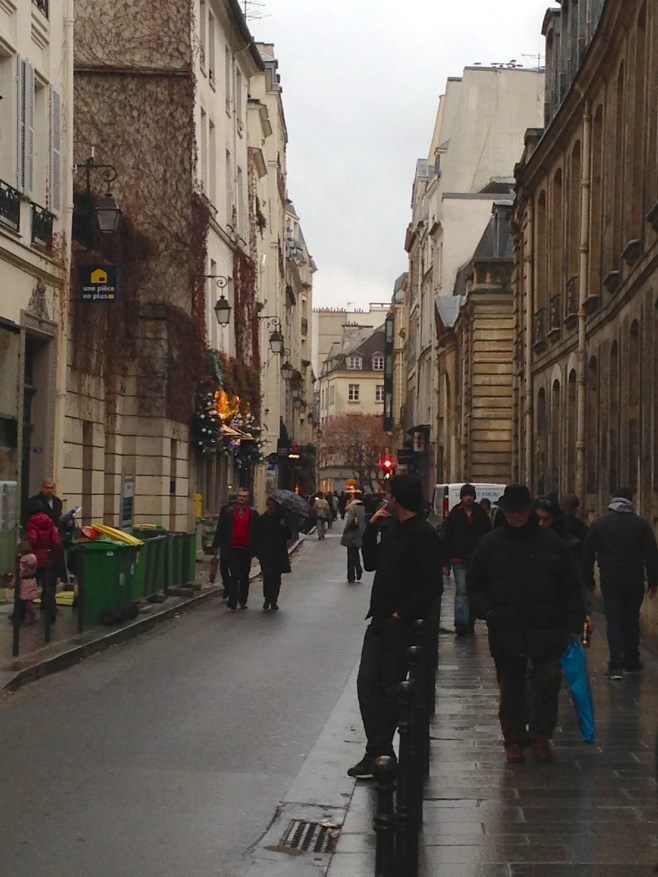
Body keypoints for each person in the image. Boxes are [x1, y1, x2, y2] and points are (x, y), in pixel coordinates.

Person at [467, 484, 585, 764]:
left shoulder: (551, 543)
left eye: (520, 511)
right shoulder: (490, 544)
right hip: (507, 626)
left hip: (547, 626)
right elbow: (475, 584)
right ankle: (514, 738)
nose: (516, 516)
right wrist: (488, 611)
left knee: (547, 681)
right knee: (511, 687)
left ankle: (541, 734)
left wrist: (573, 623)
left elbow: (571, 585)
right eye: (511, 512)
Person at [347, 475, 443, 779]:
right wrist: (372, 527)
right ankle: (378, 749)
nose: (385, 498)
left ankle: (381, 752)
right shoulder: (390, 528)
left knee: (388, 689)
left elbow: (433, 585)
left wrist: (402, 615)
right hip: (379, 619)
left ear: (398, 499)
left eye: (389, 495)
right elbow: (372, 563)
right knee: (366, 684)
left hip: (400, 625)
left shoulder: (424, 535)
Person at [581, 487, 658, 679]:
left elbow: (587, 554)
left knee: (614, 619)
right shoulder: (641, 524)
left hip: (610, 579)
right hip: (634, 578)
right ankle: (632, 660)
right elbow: (651, 555)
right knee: (631, 618)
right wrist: (654, 581)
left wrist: (588, 579)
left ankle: (616, 664)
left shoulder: (599, 524)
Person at [442, 483, 491, 636]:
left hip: (476, 559)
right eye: (466, 495)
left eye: (470, 495)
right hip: (459, 559)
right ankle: (461, 622)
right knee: (462, 590)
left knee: (472, 590)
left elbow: (487, 536)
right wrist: (445, 563)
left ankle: (470, 620)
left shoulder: (480, 514)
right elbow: (447, 537)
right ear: (462, 497)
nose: (468, 498)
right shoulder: (455, 514)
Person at [212, 487, 259, 610]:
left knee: (245, 575)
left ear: (248, 499)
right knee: (234, 574)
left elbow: (256, 531)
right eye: (239, 496)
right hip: (232, 548)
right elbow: (220, 529)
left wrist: (256, 548)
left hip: (246, 549)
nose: (241, 498)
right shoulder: (229, 512)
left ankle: (243, 600)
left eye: (244, 496)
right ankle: (233, 600)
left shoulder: (253, 513)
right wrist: (216, 546)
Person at [254, 498, 292, 611]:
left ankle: (274, 600)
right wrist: (258, 551)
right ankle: (267, 598)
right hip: (266, 553)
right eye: (269, 505)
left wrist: (284, 526)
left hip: (278, 553)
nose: (270, 507)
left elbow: (289, 535)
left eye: (273, 505)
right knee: (267, 576)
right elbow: (257, 536)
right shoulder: (262, 519)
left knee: (276, 577)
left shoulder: (281, 520)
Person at [26, 510, 62, 624]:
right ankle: (51, 613)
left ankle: (23, 613)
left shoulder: (32, 523)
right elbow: (56, 541)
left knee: (27, 585)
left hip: (36, 558)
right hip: (48, 558)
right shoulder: (50, 523)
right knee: (49, 588)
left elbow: (32, 539)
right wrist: (54, 555)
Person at [340, 491, 366, 582]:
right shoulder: (363, 507)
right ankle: (358, 568)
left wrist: (346, 530)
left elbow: (349, 521)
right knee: (355, 552)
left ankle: (351, 575)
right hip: (360, 532)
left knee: (350, 554)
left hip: (352, 532)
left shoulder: (352, 507)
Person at [17, 541, 38, 624]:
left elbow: (20, 572)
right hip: (33, 579)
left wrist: (12, 583)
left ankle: (32, 614)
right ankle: (30, 615)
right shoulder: (33, 557)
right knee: (30, 599)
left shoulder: (22, 560)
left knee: (25, 599)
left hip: (25, 581)